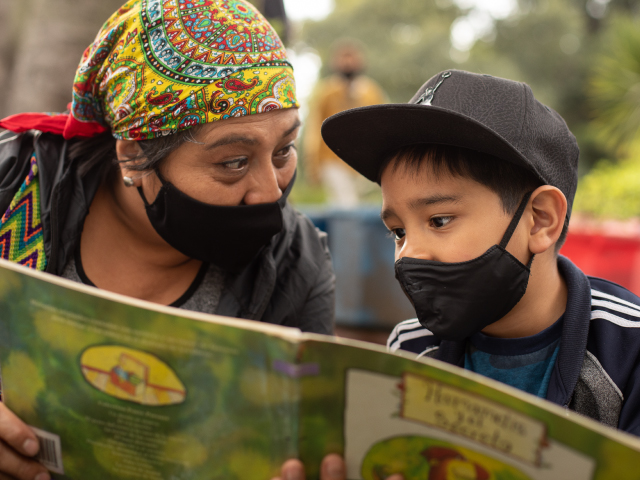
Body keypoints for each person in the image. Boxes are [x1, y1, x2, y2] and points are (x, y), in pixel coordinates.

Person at [0, 1, 335, 478]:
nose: (269, 191)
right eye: (233, 162)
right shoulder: (13, 188)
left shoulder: (295, 264)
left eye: (283, 151)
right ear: (134, 156)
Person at [274, 69, 640, 479]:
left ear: (540, 220)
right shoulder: (411, 351)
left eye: (440, 220)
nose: (409, 253)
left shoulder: (628, 350)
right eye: (398, 231)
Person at [303, 40, 387, 207]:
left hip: (365, 160)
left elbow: (383, 124)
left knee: (357, 206)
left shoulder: (371, 90)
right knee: (346, 204)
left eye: (351, 57)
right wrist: (313, 162)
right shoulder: (327, 91)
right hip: (333, 159)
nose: (348, 62)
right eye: (343, 58)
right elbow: (315, 128)